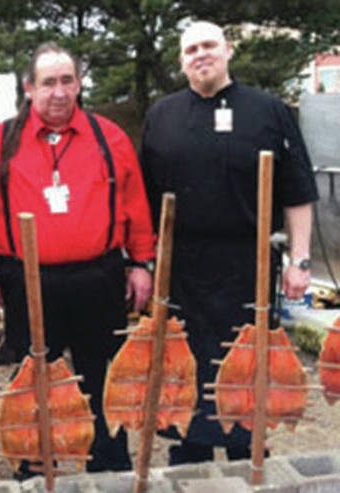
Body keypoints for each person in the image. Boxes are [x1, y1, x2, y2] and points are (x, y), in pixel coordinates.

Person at [0, 42, 157, 474]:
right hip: (28, 279)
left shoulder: (109, 137)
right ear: (29, 87)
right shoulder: (0, 142)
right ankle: (35, 462)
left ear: (79, 84)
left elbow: (134, 204)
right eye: (48, 82)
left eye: (67, 80)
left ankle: (108, 461)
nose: (58, 91)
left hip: (99, 276)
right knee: (34, 372)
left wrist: (140, 263)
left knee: (102, 370)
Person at [139, 21, 318, 465]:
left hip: (249, 265)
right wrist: (143, 262)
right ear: (181, 60)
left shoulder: (269, 110)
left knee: (246, 363)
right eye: (190, 49)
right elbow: (142, 198)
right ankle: (190, 452)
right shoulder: (161, 115)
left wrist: (300, 259)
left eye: (209, 45)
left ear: (228, 50)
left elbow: (298, 192)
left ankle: (244, 452)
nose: (201, 54)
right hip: (181, 269)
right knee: (185, 366)